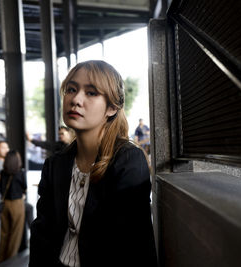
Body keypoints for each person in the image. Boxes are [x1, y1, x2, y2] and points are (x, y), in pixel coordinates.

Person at [30, 60, 157, 267]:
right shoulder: (56, 164)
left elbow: (131, 245)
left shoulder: (128, 161)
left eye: (91, 93)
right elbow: (42, 234)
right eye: (71, 89)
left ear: (112, 108)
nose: (76, 100)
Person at [0, 150, 27, 263]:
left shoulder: (2, 173)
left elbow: (1, 189)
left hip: (5, 204)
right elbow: (24, 188)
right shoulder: (20, 173)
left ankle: (1, 259)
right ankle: (10, 261)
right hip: (17, 204)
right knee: (16, 234)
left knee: (4, 233)